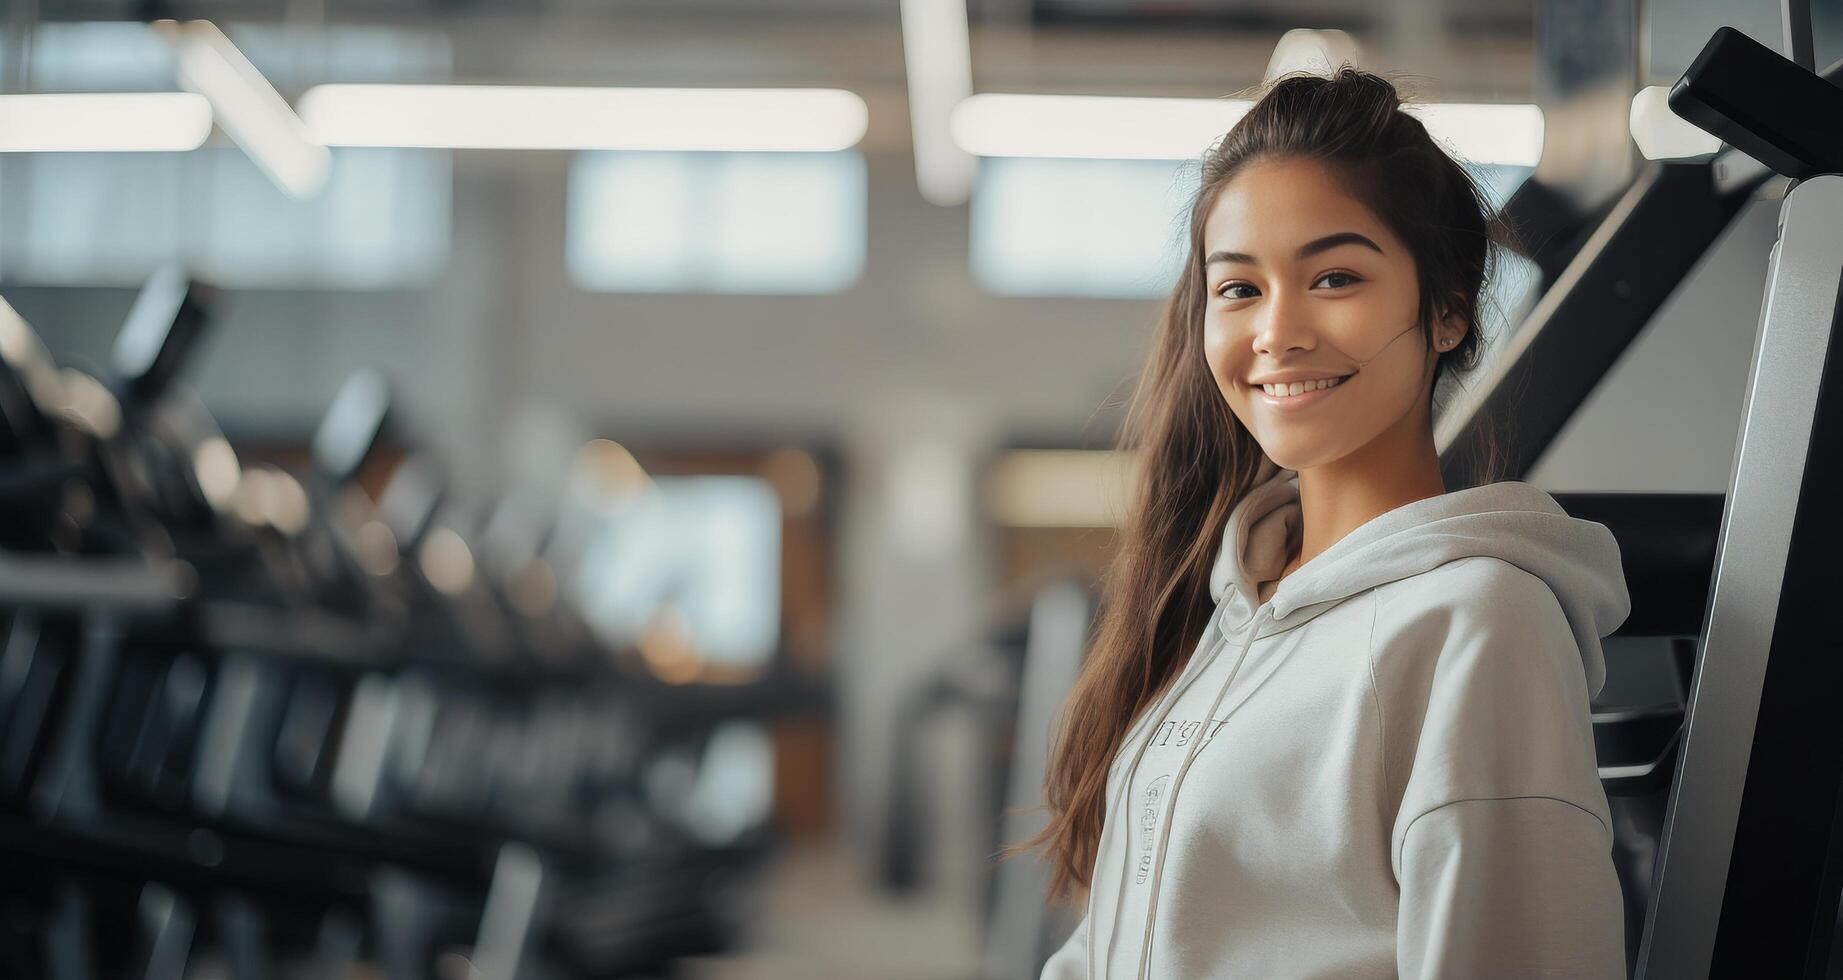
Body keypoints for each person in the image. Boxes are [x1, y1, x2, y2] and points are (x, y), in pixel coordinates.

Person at [1012, 66, 1631, 978]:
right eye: (1238, 289)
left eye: (1333, 276)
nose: (1277, 331)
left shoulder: (1478, 623)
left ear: (1448, 312)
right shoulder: (1229, 610)